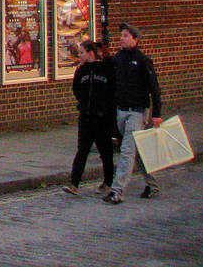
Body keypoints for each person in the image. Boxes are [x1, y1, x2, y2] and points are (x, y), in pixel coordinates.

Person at [105, 23, 162, 203]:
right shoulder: (118, 58)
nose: (122, 38)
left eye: (126, 36)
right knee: (136, 151)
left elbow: (155, 89)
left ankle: (117, 191)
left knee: (127, 151)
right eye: (121, 35)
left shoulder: (143, 60)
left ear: (135, 39)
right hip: (121, 111)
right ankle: (152, 185)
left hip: (137, 112)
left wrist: (156, 114)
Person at [62, 40, 114, 195]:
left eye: (82, 52)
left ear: (91, 52)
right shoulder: (81, 70)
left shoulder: (106, 69)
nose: (80, 55)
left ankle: (108, 182)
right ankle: (74, 184)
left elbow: (112, 90)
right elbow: (76, 89)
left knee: (105, 151)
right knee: (82, 150)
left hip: (103, 118)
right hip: (86, 116)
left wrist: (106, 109)